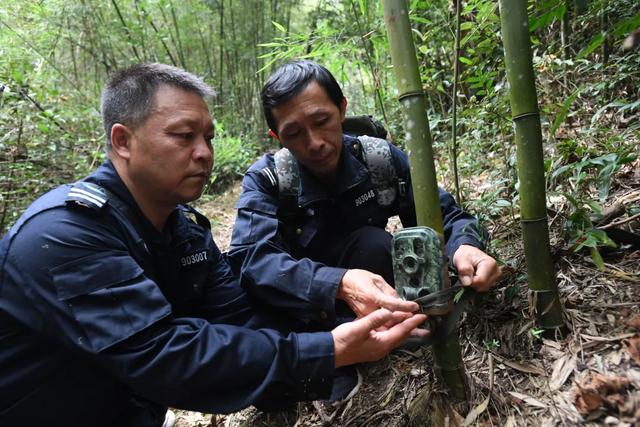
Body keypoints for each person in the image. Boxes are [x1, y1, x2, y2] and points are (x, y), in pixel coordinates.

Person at [0, 63, 427, 427]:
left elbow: (239, 318)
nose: (204, 153)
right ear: (122, 141)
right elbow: (163, 355)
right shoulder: (65, 233)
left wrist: (335, 347)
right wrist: (326, 350)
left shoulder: (184, 230)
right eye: (184, 136)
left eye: (208, 137)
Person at [227, 60, 501, 326]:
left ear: (342, 109)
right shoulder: (269, 179)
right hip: (307, 311)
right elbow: (251, 260)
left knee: (375, 244)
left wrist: (465, 247)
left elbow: (444, 215)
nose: (314, 143)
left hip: (384, 297)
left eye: (322, 121)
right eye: (294, 133)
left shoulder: (378, 160)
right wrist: (339, 283)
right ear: (277, 137)